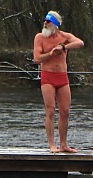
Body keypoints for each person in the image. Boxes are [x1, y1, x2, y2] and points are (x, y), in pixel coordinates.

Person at [33, 10, 84, 153]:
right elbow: (37, 58)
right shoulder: (40, 37)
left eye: (48, 22)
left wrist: (63, 47)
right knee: (50, 110)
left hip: (62, 77)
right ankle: (52, 144)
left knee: (65, 111)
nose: (45, 23)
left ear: (55, 24)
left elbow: (80, 43)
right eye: (44, 21)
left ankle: (64, 144)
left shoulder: (64, 36)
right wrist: (50, 54)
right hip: (47, 76)